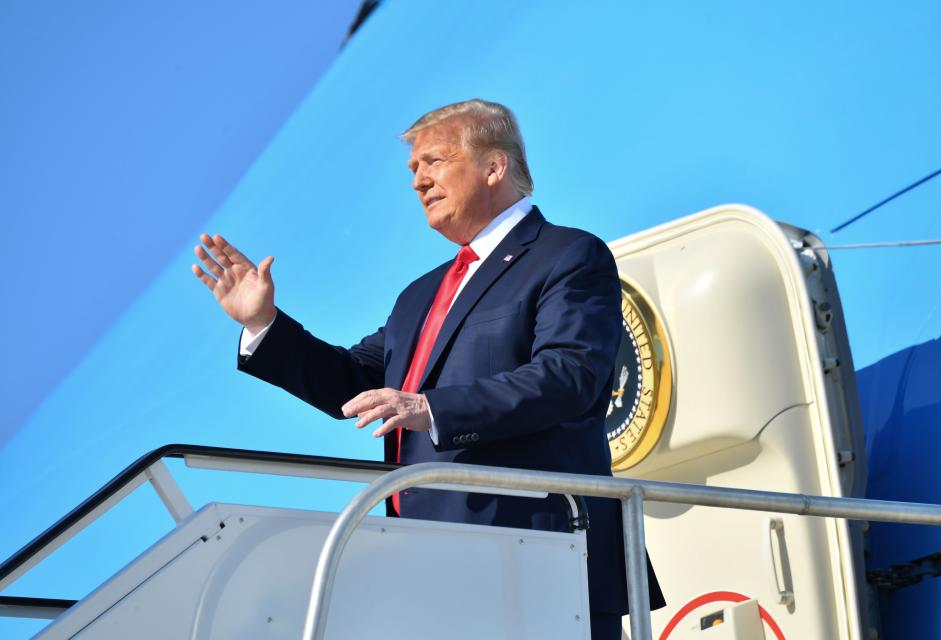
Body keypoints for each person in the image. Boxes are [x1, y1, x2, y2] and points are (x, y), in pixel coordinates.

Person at [192, 99, 664, 638]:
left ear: (494, 167)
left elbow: (567, 376)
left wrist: (429, 407)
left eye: (434, 162)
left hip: (543, 552)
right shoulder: (420, 295)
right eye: (413, 171)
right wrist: (264, 324)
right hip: (430, 567)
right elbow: (355, 382)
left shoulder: (569, 255)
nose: (419, 183)